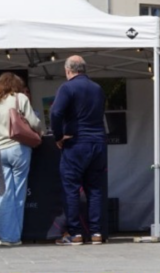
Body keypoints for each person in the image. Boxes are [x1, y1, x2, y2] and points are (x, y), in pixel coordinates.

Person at [50, 55, 107, 246]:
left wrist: (58, 136)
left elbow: (55, 112)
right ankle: (97, 232)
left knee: (71, 189)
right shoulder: (98, 88)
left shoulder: (67, 87)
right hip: (98, 142)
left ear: (68, 70)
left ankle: (75, 234)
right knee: (96, 189)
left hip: (76, 143)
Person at [0, 72, 45, 246]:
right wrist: (41, 131)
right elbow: (34, 122)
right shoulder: (20, 98)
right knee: (19, 194)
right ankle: (14, 236)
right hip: (18, 148)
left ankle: (5, 236)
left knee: (3, 195)